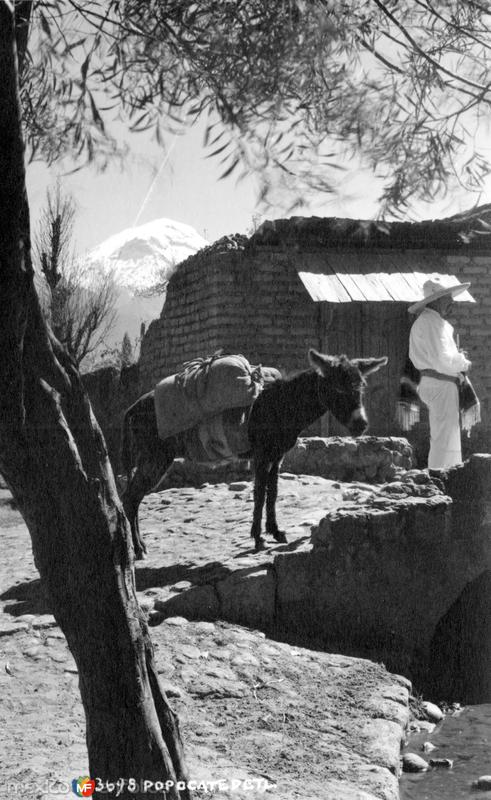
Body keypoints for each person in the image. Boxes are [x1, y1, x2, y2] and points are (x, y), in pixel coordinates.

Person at [408, 277, 472, 469]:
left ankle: (448, 478)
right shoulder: (431, 323)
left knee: (447, 437)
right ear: (436, 300)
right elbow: (441, 360)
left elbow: (442, 357)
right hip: (439, 383)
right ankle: (438, 479)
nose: (451, 301)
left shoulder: (434, 322)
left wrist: (458, 359)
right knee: (444, 439)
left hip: (437, 383)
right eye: (447, 297)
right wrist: (463, 362)